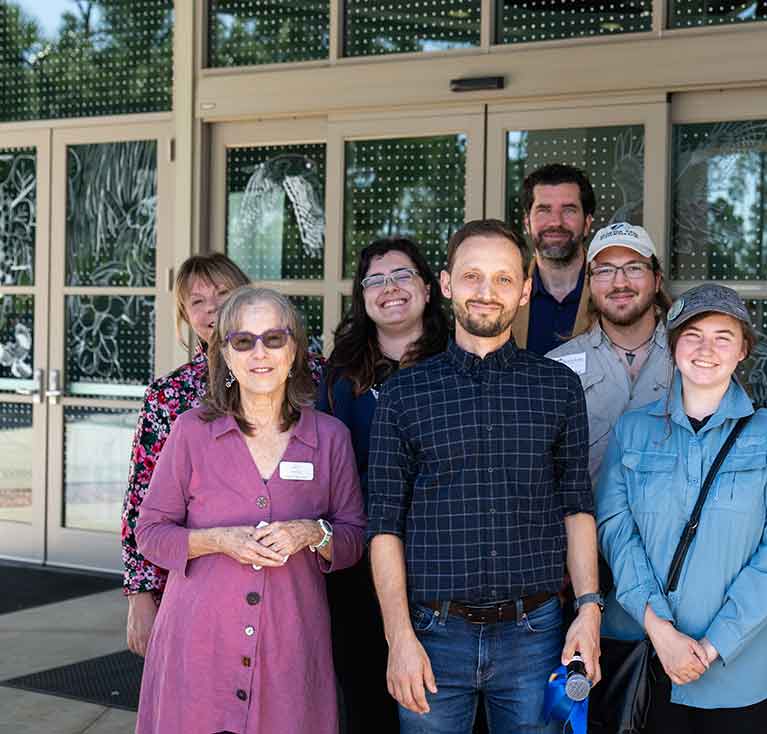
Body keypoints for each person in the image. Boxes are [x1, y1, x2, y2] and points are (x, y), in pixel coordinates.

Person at [367, 219, 602, 733]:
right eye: (472, 277)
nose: (486, 293)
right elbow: (383, 525)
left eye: (502, 279)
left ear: (524, 291)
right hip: (431, 633)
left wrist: (588, 609)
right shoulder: (405, 394)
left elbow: (577, 505)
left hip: (536, 634)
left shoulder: (558, 388)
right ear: (447, 285)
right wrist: (399, 638)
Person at [134, 287, 366, 734]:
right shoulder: (191, 433)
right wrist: (218, 541)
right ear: (225, 353)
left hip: (290, 651)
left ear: (295, 348)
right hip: (199, 646)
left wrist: (311, 533)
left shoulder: (331, 437)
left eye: (274, 338)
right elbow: (150, 533)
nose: (259, 353)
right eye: (243, 341)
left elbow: (354, 538)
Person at [597, 284, 767, 733]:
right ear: (673, 348)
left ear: (742, 351)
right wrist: (662, 632)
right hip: (649, 659)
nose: (706, 349)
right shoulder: (632, 431)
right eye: (693, 335)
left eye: (723, 336)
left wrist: (713, 646)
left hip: (742, 669)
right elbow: (617, 533)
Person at [121, 255, 323, 657]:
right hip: (198, 584)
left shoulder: (309, 376)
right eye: (197, 301)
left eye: (223, 294)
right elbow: (142, 500)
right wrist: (140, 594)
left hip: (295, 589)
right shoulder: (169, 395)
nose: (212, 308)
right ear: (184, 314)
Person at [317, 237, 451, 732]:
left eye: (402, 276)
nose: (390, 288)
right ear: (362, 296)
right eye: (376, 279)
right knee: (367, 701)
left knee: (436, 704)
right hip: (360, 565)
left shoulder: (459, 362)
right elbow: (326, 471)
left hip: (442, 564)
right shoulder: (338, 376)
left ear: (429, 287)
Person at [547, 222, 673, 481]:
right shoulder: (555, 368)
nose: (620, 283)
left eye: (634, 268)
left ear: (657, 279)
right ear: (590, 284)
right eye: (605, 271)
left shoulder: (693, 358)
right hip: (587, 520)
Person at [512, 163, 596, 355]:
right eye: (544, 210)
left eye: (569, 210)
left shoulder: (611, 291)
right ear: (527, 223)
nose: (556, 221)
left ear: (587, 223)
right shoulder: (508, 293)